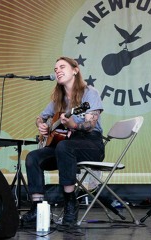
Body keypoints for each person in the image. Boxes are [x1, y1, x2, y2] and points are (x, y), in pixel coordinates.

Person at [21, 56, 105, 226]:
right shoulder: (57, 100)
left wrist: (74, 124)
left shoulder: (90, 93)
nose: (57, 71)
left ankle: (70, 203)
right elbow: (40, 117)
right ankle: (37, 208)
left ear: (75, 70)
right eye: (55, 69)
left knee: (64, 147)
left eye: (62, 67)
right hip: (65, 147)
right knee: (33, 157)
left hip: (91, 144)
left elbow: (90, 124)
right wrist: (42, 126)